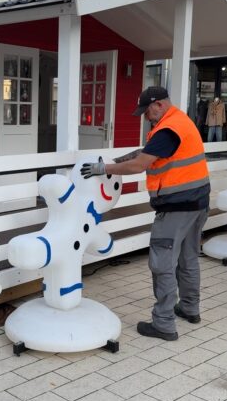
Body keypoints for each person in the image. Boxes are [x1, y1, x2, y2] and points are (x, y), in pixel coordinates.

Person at [81, 86, 210, 341]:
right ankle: (189, 308)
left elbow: (140, 164)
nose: (145, 116)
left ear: (159, 104)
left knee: (162, 264)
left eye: (147, 111)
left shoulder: (167, 129)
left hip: (176, 208)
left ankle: (163, 323)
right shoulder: (179, 121)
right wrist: (116, 161)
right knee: (188, 258)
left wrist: (102, 168)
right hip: (198, 203)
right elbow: (146, 152)